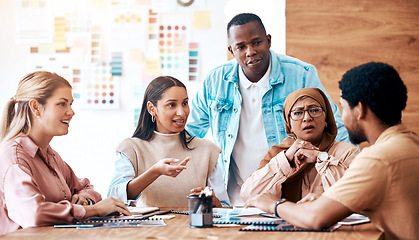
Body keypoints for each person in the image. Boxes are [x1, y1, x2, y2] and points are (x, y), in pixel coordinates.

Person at [186, 13, 348, 206]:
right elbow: (189, 134)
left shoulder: (301, 74)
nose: (250, 51)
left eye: (256, 42)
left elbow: (335, 128)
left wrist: (348, 179)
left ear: (269, 40)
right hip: (234, 200)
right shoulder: (215, 81)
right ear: (231, 50)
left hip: (289, 197)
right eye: (241, 47)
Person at [245, 62, 419, 240]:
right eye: (298, 113)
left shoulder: (377, 159)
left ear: (360, 110)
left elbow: (315, 218)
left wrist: (274, 205)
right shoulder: (411, 143)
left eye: (343, 107)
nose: (342, 117)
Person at [0, 71, 130, 235]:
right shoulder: (14, 157)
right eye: (62, 104)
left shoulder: (50, 156)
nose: (71, 112)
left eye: (71, 104)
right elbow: (33, 214)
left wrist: (85, 199)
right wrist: (93, 210)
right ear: (36, 108)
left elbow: (85, 186)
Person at [107, 76, 227, 207]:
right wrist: (155, 172)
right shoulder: (132, 148)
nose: (182, 113)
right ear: (152, 108)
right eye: (172, 105)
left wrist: (215, 203)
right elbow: (114, 197)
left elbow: (224, 207)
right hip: (147, 228)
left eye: (185, 103)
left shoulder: (207, 150)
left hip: (194, 227)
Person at [240, 88, 358, 203]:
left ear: (326, 118)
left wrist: (320, 157)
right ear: (289, 124)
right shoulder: (278, 154)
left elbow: (351, 197)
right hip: (283, 221)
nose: (307, 118)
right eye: (298, 113)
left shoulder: (346, 152)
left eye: (314, 110)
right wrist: (286, 160)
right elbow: (249, 196)